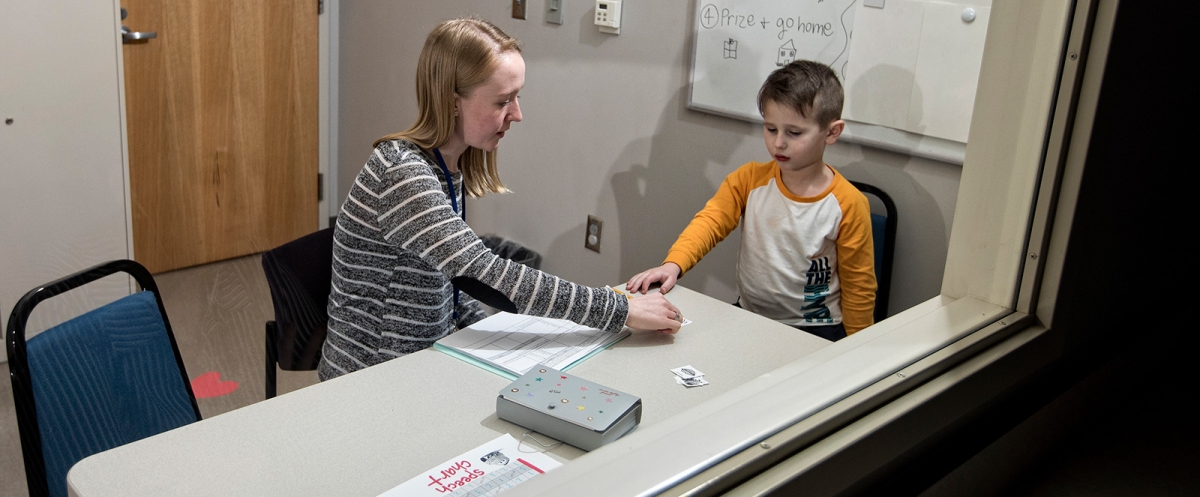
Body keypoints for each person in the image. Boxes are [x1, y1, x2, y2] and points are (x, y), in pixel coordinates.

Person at [319, 18, 682, 380]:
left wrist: (489, 340)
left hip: (423, 362)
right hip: (371, 380)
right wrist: (619, 309)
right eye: (503, 101)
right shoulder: (403, 174)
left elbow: (455, 284)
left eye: (517, 96)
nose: (517, 114)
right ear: (453, 101)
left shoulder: (445, 167)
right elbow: (487, 275)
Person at [626, 60, 875, 341]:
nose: (779, 143)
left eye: (794, 133)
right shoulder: (749, 179)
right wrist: (673, 264)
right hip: (750, 316)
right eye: (771, 129)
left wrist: (859, 348)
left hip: (815, 328)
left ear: (831, 132)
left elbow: (860, 288)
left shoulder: (848, 204)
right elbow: (711, 222)